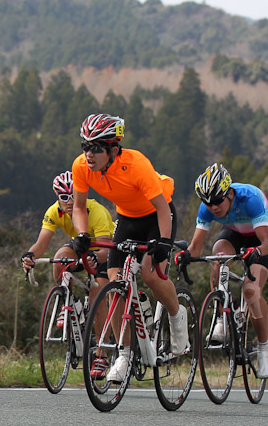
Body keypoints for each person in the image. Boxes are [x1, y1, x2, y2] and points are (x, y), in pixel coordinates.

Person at [70, 113, 189, 383]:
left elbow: (162, 209)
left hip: (156, 216)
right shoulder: (81, 166)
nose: (89, 154)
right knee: (114, 285)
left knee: (150, 272)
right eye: (85, 146)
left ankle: (175, 314)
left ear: (113, 149)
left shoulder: (136, 165)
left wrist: (165, 243)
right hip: (127, 219)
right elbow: (78, 207)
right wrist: (82, 234)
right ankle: (123, 355)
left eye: (96, 148)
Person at [176, 163, 268, 377]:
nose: (213, 207)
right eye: (207, 203)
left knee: (251, 291)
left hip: (261, 237)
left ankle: (264, 348)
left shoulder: (250, 199)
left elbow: (266, 241)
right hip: (235, 233)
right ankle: (221, 315)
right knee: (218, 255)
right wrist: (186, 255)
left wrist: (256, 252)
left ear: (230, 193)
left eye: (217, 201)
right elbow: (197, 246)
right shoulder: (207, 208)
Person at [21, 171, 115, 379]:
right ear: (58, 198)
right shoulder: (54, 211)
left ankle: (101, 354)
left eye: (73, 195)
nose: (69, 201)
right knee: (59, 259)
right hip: (80, 245)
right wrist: (30, 256)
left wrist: (93, 259)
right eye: (64, 197)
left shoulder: (96, 211)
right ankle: (67, 300)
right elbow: (42, 243)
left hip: (102, 248)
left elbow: (106, 251)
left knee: (97, 296)